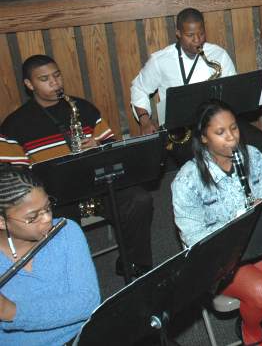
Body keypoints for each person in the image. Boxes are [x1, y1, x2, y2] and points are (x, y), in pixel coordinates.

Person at [0, 55, 154, 278]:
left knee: (140, 200)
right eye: (45, 79)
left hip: (96, 186)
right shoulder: (15, 125)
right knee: (61, 225)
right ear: (29, 84)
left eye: (57, 76)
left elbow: (114, 150)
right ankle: (72, 276)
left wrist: (98, 146)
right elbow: (11, 178)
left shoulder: (82, 108)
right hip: (54, 197)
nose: (55, 83)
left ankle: (134, 264)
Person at [172, 100, 262, 346]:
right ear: (203, 138)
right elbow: (194, 240)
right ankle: (251, 332)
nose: (231, 138)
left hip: (257, 243)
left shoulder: (254, 157)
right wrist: (238, 221)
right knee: (261, 293)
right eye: (220, 132)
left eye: (234, 128)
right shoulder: (186, 181)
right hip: (218, 257)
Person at [131, 8, 262, 195]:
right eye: (190, 35)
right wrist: (145, 120)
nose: (197, 40)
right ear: (178, 34)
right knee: (211, 163)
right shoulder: (161, 61)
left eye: (201, 33)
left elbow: (234, 94)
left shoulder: (218, 55)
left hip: (221, 122)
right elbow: (139, 88)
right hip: (185, 132)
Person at [0, 165, 100, 345]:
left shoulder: (67, 231)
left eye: (47, 207)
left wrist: (12, 312)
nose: (47, 218)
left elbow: (87, 302)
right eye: (33, 217)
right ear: (1, 221)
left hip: (79, 337)